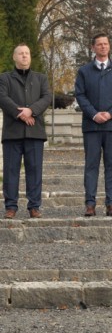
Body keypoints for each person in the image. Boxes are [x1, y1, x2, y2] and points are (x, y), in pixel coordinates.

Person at [75, 33, 112, 217]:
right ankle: (90, 204)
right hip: (91, 127)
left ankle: (111, 203)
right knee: (91, 165)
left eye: (106, 44)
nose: (103, 47)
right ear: (93, 48)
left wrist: (110, 113)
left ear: (109, 46)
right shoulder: (84, 71)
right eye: (99, 44)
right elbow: (80, 95)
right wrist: (94, 114)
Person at [0, 44, 51, 219]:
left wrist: (31, 111)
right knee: (10, 171)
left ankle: (34, 206)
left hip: (34, 133)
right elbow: (2, 97)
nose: (24, 56)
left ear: (30, 57)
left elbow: (46, 98)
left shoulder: (40, 78)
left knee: (35, 170)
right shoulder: (5, 78)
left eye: (27, 53)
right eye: (20, 53)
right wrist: (21, 114)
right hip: (12, 133)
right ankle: (11, 206)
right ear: (14, 57)